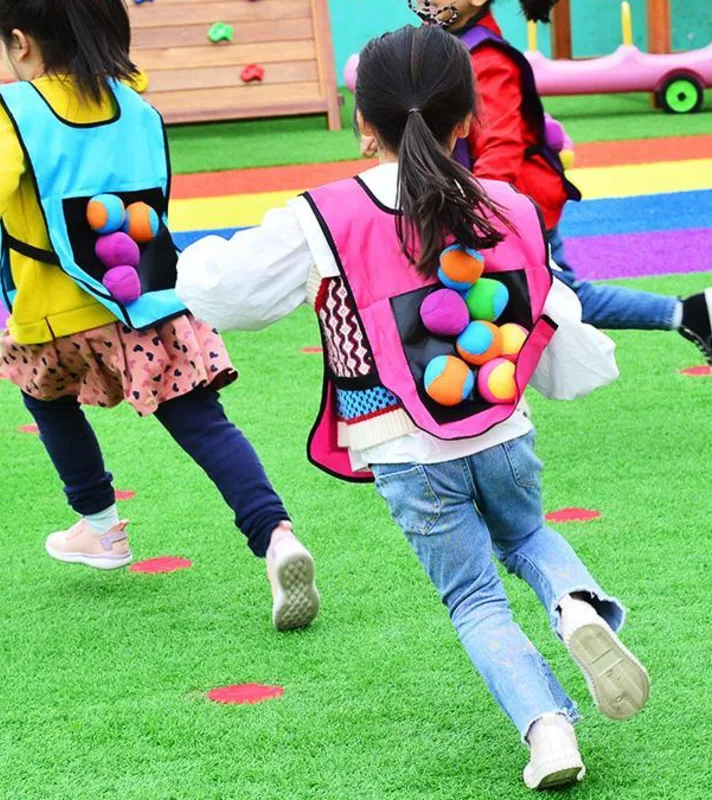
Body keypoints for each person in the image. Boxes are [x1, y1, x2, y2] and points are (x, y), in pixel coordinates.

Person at [174, 24, 650, 791]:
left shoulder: (324, 216)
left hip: (400, 442)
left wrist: (187, 264)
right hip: (501, 424)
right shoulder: (506, 204)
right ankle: (575, 605)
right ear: (468, 120)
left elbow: (229, 293)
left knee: (471, 596)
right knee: (528, 533)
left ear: (365, 123)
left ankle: (549, 730)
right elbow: (551, 304)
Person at [0, 0, 319, 632]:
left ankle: (100, 525)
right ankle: (276, 535)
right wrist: (3, 247)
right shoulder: (137, 109)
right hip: (145, 299)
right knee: (203, 422)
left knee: (46, 397)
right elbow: (100, 194)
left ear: (20, 43)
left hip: (57, 314)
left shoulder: (15, 109)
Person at [399, 0, 712, 363]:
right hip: (474, 206)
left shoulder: (485, 59)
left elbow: (501, 148)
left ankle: (689, 314)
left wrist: (472, 213)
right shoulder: (435, 42)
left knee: (563, 298)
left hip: (513, 209)